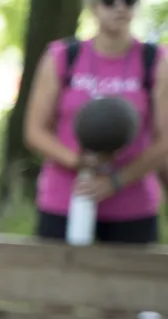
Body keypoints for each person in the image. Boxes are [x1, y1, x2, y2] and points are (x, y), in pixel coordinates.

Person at [25, 0, 166, 245]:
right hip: (65, 202)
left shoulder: (156, 60)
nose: (120, 8)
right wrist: (79, 162)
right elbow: (35, 131)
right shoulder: (62, 56)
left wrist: (115, 182)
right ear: (93, 6)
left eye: (130, 1)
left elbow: (165, 140)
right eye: (110, 1)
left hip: (133, 207)